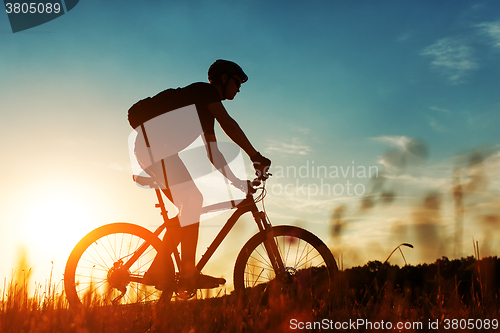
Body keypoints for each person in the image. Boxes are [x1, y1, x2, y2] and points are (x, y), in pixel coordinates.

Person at [130, 60, 271, 290]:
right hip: (153, 149)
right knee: (193, 200)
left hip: (157, 151)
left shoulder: (205, 111)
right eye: (237, 82)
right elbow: (229, 124)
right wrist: (255, 156)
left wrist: (236, 183)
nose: (239, 88)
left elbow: (213, 154)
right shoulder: (204, 92)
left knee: (189, 206)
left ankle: (157, 270)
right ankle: (188, 275)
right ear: (224, 79)